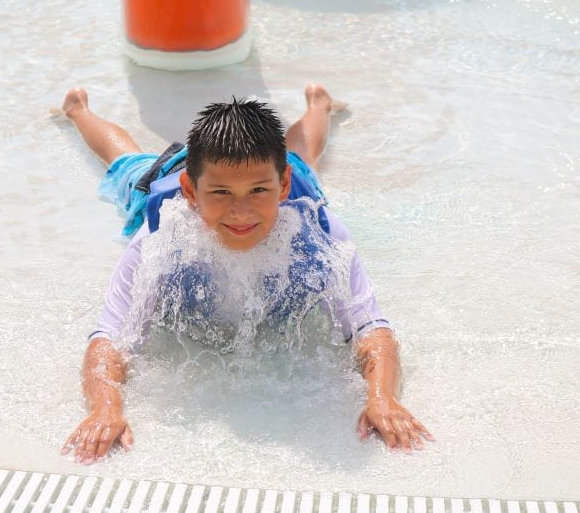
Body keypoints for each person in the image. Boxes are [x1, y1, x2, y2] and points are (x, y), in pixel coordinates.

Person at [58, 84, 434, 464]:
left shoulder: (317, 230)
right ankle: (78, 109)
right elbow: (111, 336)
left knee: (305, 154)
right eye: (222, 194)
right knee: (126, 161)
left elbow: (370, 328)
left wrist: (382, 398)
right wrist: (105, 407)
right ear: (190, 190)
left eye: (258, 191)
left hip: (277, 169)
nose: (241, 213)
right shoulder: (161, 236)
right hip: (177, 172)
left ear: (283, 185)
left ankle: (318, 104)